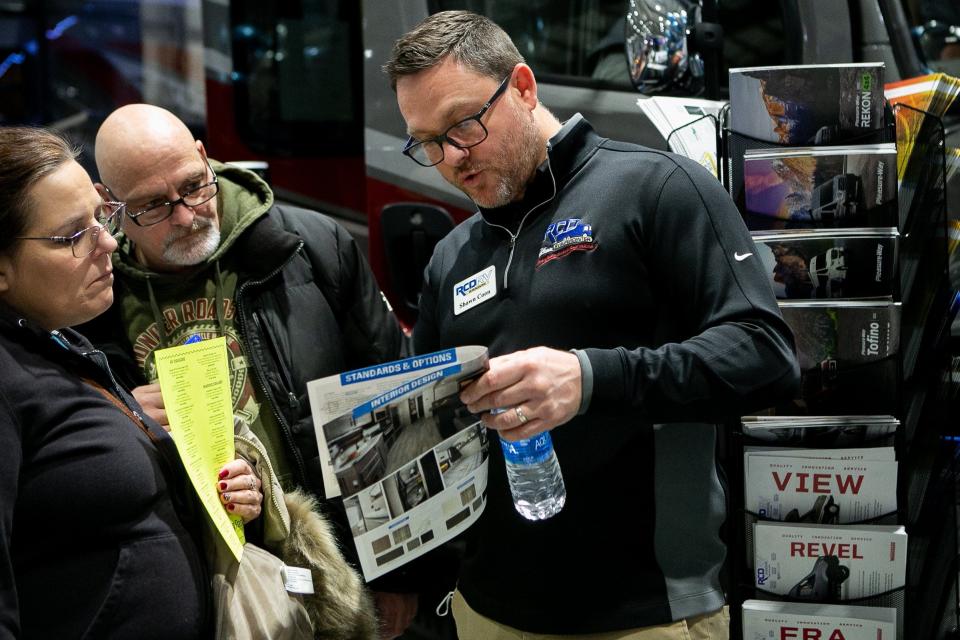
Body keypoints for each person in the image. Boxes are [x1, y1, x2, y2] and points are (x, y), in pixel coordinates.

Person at [385, 11, 800, 639]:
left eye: (465, 125)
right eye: (428, 143)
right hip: (487, 610)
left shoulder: (657, 188)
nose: (452, 158)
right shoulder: (455, 253)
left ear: (523, 88)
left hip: (644, 613)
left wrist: (590, 378)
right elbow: (438, 434)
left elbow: (764, 356)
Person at [78, 104, 417, 638]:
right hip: (189, 583)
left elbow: (396, 405)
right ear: (109, 203)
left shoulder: (310, 247)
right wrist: (120, 415)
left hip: (332, 573)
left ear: (204, 157)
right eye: (153, 207)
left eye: (195, 186)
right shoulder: (91, 298)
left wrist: (401, 569)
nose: (187, 215)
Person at [0, 126, 259, 638]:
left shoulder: (56, 340)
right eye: (73, 235)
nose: (107, 242)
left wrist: (223, 491)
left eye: (101, 218)